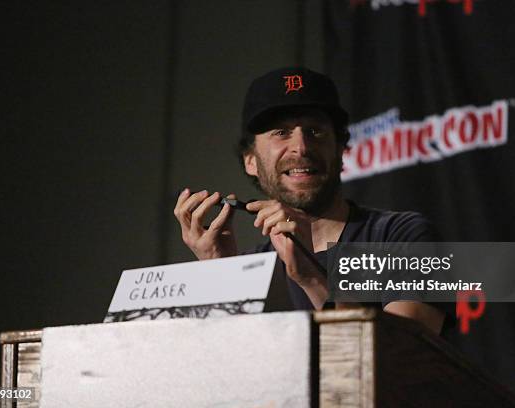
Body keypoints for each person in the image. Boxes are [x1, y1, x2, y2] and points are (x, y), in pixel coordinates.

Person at [174, 67, 447, 334]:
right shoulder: (254, 267)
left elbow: (402, 358)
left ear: (341, 150)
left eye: (315, 131)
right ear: (250, 161)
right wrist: (221, 274)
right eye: (281, 133)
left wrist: (313, 278)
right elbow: (232, 368)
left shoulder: (404, 236)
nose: (301, 147)